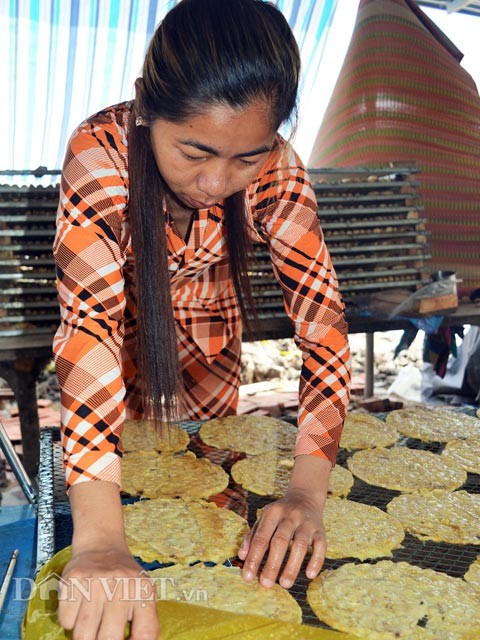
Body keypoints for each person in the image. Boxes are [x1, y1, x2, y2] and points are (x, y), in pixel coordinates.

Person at [52, 0, 351, 637]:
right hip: (122, 333)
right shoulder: (99, 154)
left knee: (206, 479)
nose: (217, 182)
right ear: (146, 108)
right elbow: (89, 336)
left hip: (211, 332)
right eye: (195, 151)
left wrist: (305, 494)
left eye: (246, 158)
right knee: (121, 478)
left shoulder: (278, 170)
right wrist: (101, 540)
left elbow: (323, 328)